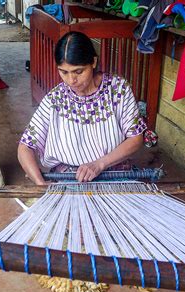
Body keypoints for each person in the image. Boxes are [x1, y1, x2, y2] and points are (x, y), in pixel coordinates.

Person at [18, 31, 147, 185]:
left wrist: (100, 164)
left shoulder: (118, 90)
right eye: (63, 72)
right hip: (69, 179)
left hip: (114, 174)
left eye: (78, 71)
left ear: (93, 62)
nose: (71, 80)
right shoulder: (56, 99)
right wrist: (41, 185)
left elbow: (136, 137)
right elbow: (25, 147)